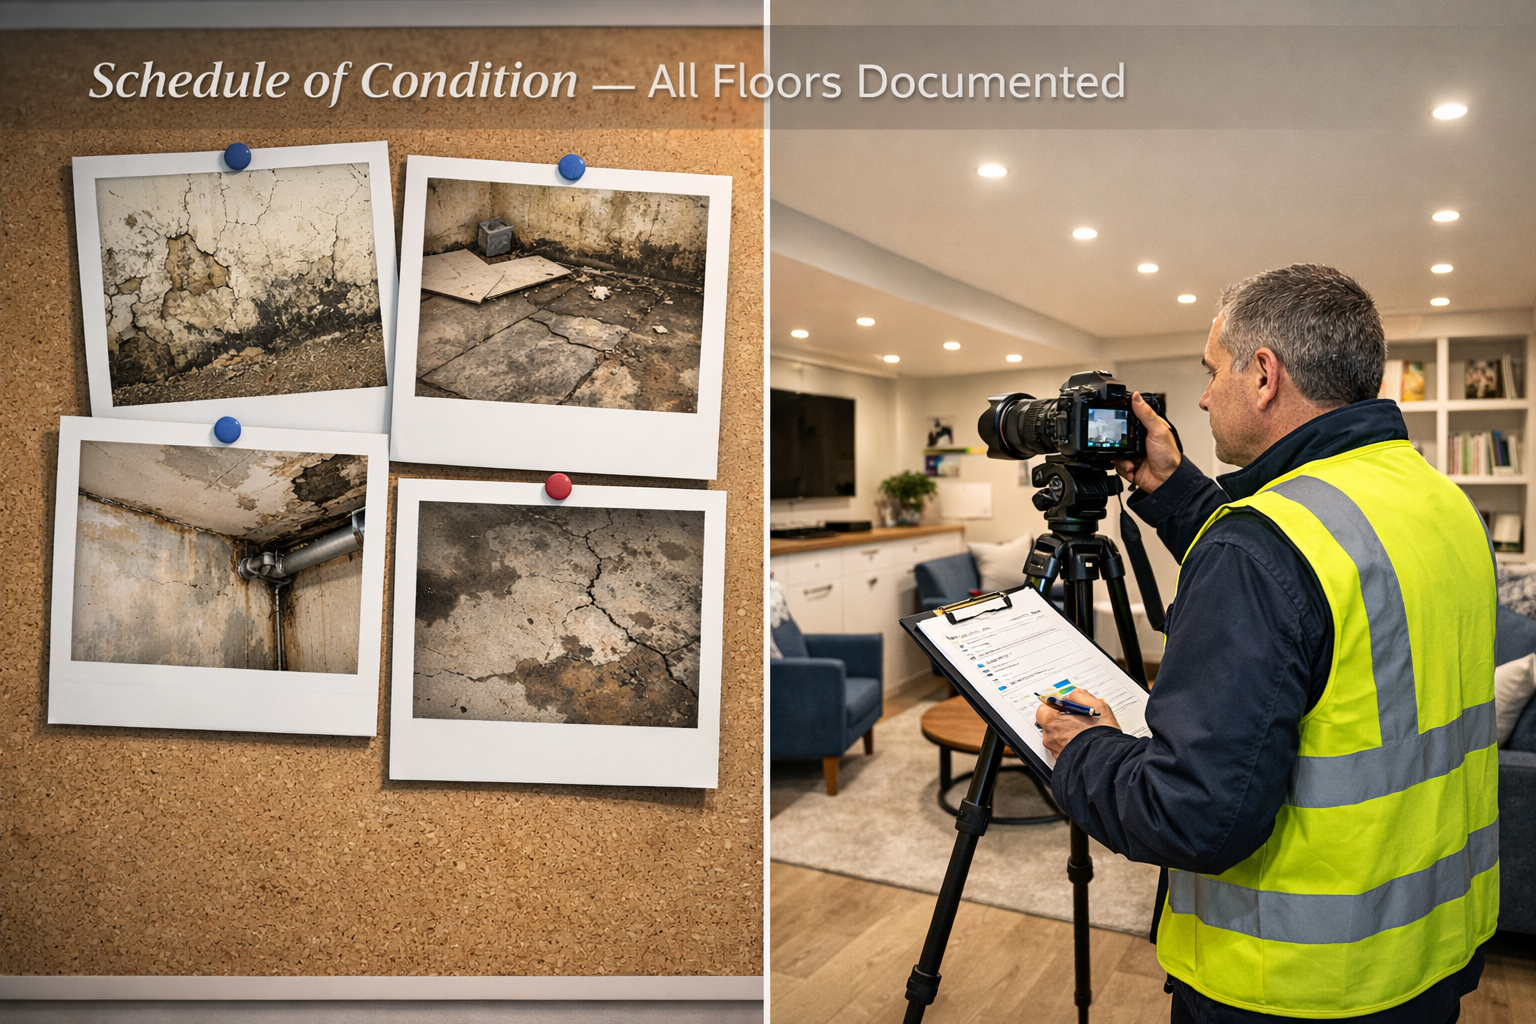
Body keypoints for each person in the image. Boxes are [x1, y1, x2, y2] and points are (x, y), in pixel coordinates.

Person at [1036, 264, 1498, 1023]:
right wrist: (1173, 484)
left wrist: (1083, 748)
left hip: (1291, 981)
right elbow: (1311, 596)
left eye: (1214, 371)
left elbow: (1192, 815)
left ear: (1263, 374)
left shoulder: (1262, 546)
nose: (1204, 396)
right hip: (1428, 948)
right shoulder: (1440, 501)